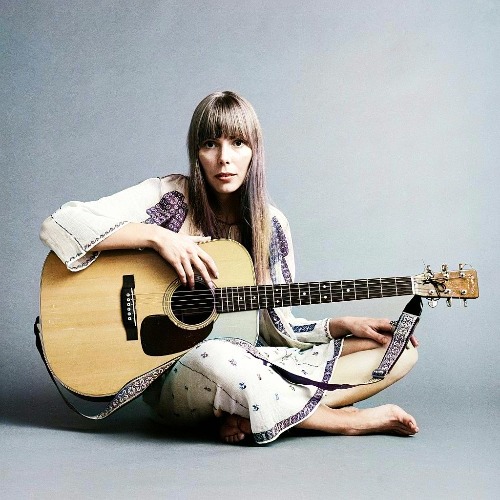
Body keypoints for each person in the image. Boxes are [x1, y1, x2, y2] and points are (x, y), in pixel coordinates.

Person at [40, 91, 419, 445]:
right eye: (211, 144)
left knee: (398, 350)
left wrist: (339, 324)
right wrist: (159, 238)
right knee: (218, 354)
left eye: (238, 143)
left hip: (250, 365)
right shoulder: (170, 197)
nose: (225, 158)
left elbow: (277, 330)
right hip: (177, 374)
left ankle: (252, 411)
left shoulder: (271, 226)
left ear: (254, 151)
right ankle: (339, 420)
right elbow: (60, 223)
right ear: (197, 152)